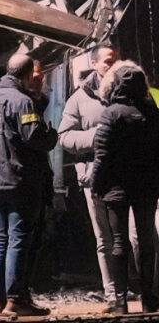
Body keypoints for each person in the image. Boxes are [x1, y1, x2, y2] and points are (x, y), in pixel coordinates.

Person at [0, 54, 57, 316]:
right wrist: (51, 134)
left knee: (0, 239)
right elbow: (34, 138)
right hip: (19, 181)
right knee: (18, 240)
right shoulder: (22, 102)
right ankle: (16, 299)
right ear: (26, 76)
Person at [90, 60, 159, 314]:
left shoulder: (112, 112)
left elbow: (102, 155)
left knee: (118, 242)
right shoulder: (152, 112)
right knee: (146, 240)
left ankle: (120, 302)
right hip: (147, 186)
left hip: (116, 187)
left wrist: (96, 184)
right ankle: (150, 299)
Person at [59, 45, 125, 305]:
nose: (113, 64)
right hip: (93, 176)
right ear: (95, 63)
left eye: (116, 60)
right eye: (108, 60)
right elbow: (64, 136)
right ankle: (113, 294)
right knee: (104, 239)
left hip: (126, 174)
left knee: (134, 235)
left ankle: (141, 288)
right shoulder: (79, 98)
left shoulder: (128, 90)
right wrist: (95, 136)